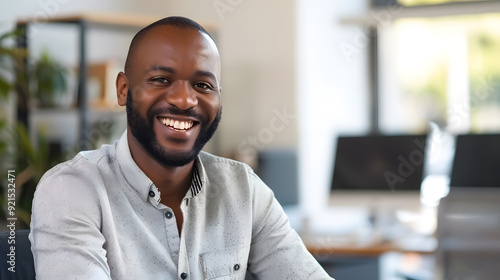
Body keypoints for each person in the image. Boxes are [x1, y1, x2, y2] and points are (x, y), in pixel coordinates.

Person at [29, 16, 333, 280]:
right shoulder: (71, 190)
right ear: (123, 90)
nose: (185, 100)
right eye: (161, 79)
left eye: (202, 85)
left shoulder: (244, 189)